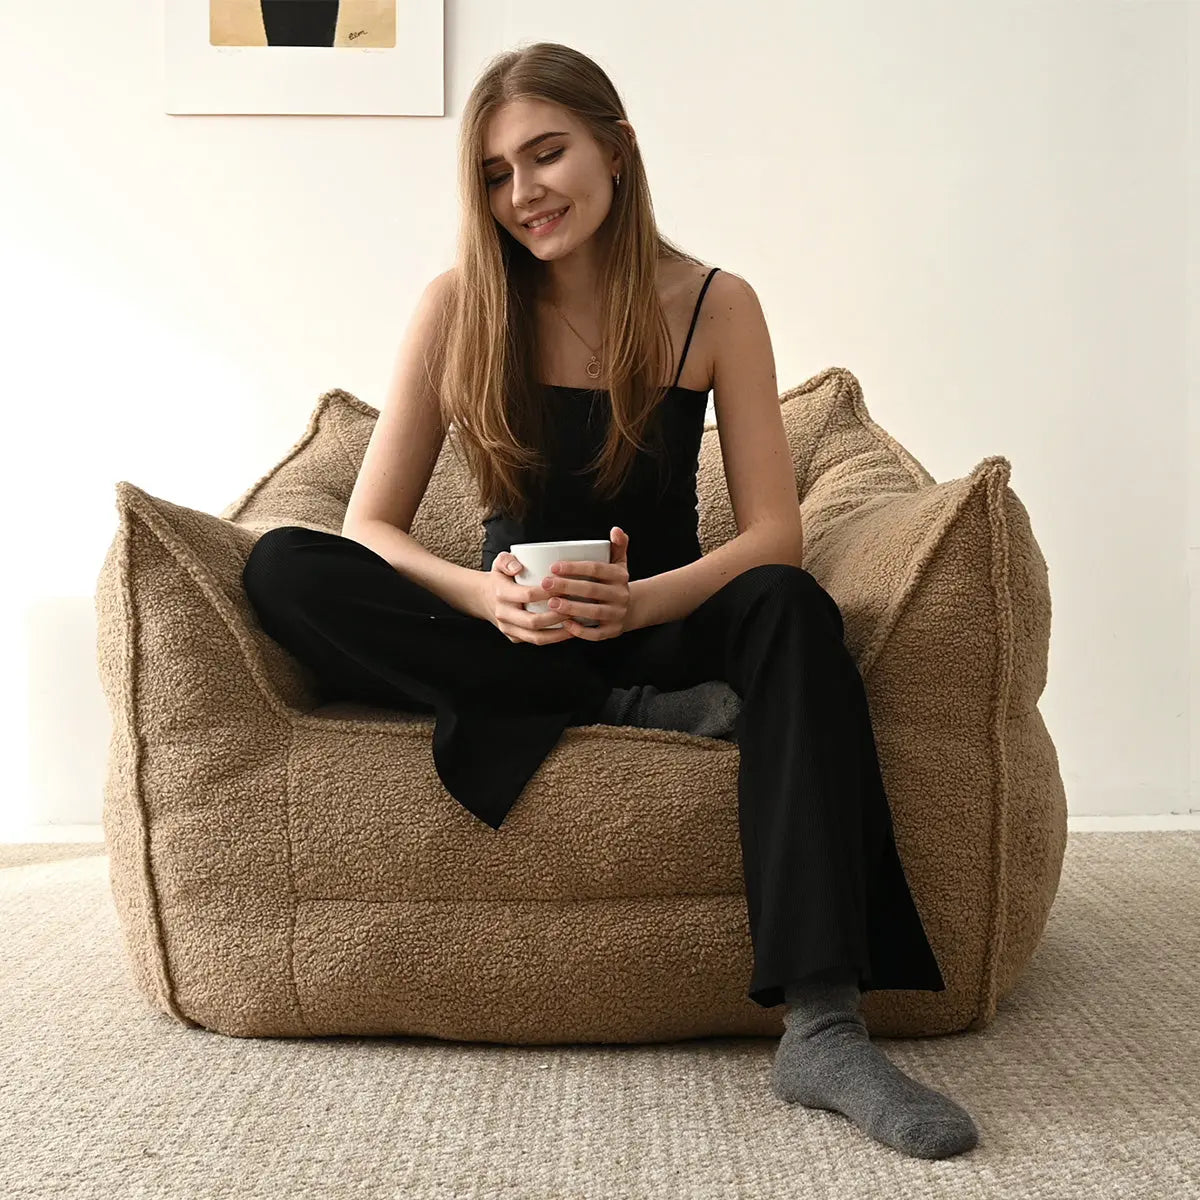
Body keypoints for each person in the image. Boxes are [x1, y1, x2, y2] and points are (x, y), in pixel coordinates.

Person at [241, 42, 978, 1160]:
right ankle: (611, 707)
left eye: (547, 153)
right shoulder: (458, 305)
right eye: (496, 172)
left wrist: (640, 607)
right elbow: (370, 530)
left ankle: (824, 1027)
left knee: (790, 602)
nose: (523, 190)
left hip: (667, 615)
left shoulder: (714, 304)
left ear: (617, 151)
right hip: (513, 633)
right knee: (281, 568)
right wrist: (486, 603)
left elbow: (774, 531)